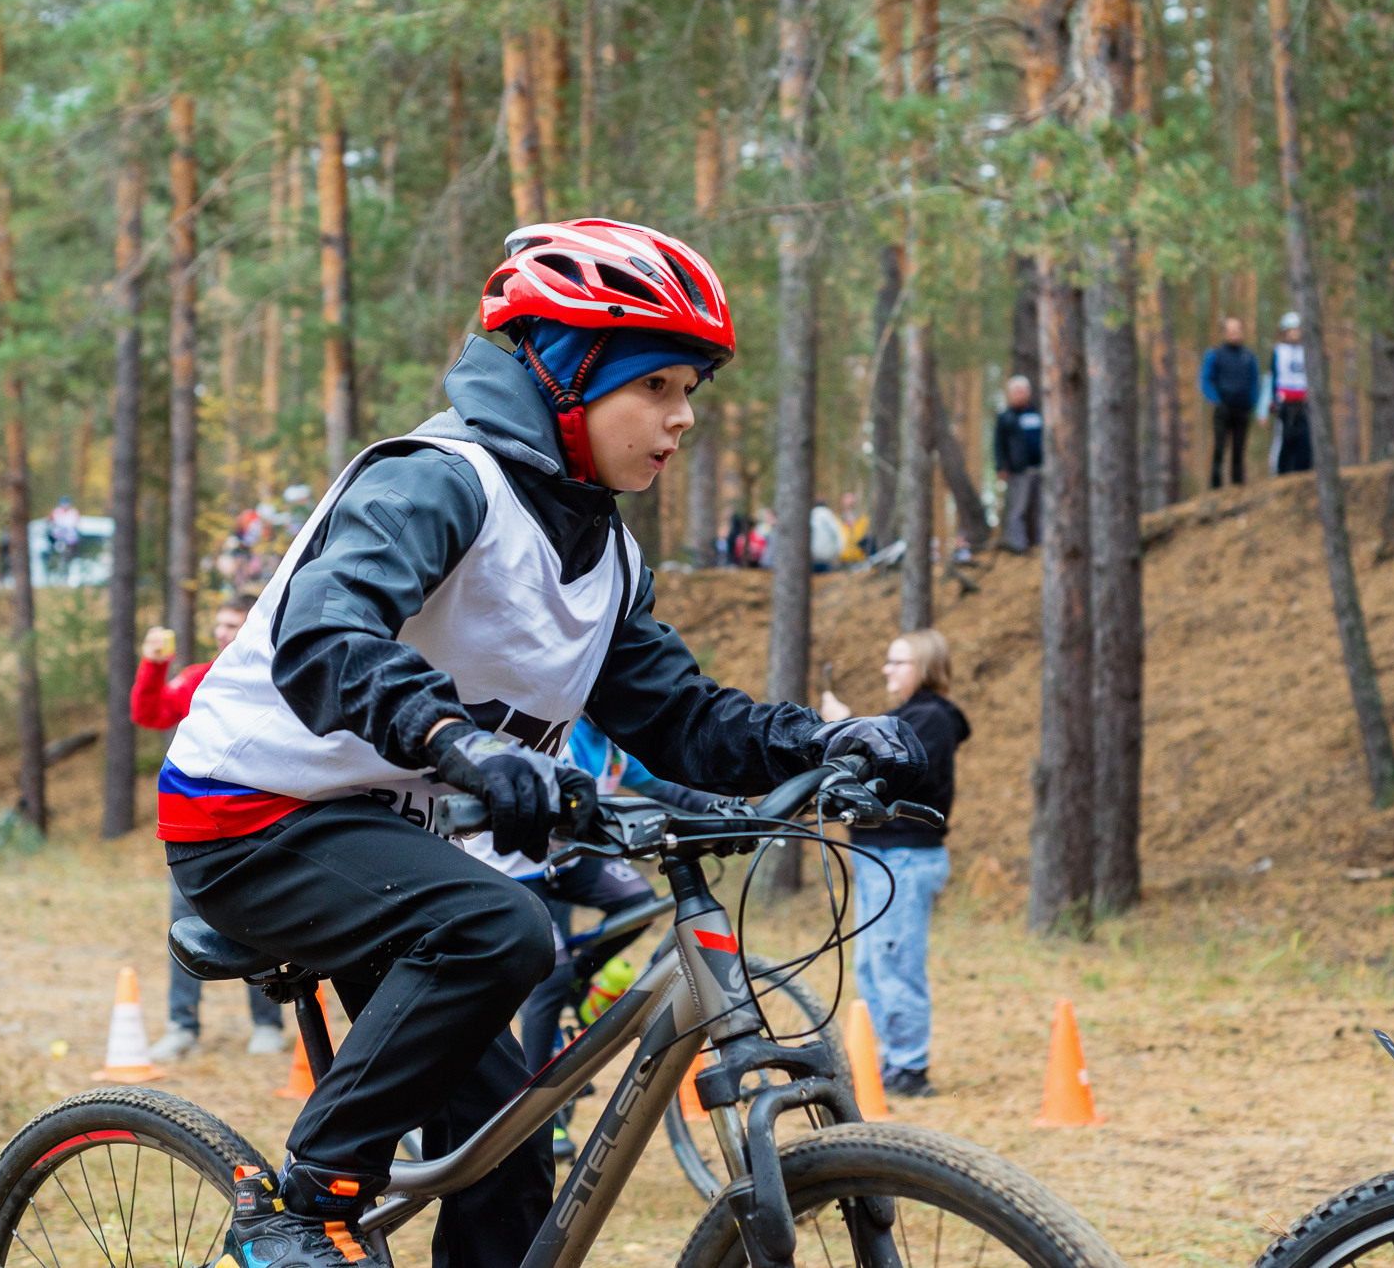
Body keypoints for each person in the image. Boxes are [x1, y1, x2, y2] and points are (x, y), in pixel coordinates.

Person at [158, 218, 926, 1268]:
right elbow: (326, 632)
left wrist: (827, 743)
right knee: (502, 928)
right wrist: (457, 743)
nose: (682, 418)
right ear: (567, 370)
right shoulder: (435, 479)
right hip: (255, 815)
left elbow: (679, 718)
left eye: (690, 392)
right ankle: (299, 1207)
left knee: (505, 1154)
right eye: (657, 386)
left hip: (406, 849)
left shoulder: (603, 552)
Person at [501, 718, 719, 1162]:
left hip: (570, 858)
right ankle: (534, 1117)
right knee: (550, 979)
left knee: (638, 902)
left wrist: (727, 808)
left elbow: (668, 789)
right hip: (516, 862)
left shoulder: (616, 747)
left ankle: (580, 979)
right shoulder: (567, 733)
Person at [130, 594, 286, 1060]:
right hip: (197, 833)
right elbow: (150, 712)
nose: (222, 633)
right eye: (219, 624)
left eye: (232, 624)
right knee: (182, 926)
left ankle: (267, 1023)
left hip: (258, 829)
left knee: (259, 926)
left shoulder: (275, 678)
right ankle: (182, 1027)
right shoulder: (201, 678)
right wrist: (153, 666)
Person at [819, 629, 967, 1098]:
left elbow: (889, 761)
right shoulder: (911, 717)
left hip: (905, 858)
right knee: (871, 965)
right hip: (880, 857)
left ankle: (909, 1066)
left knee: (895, 961)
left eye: (897, 661)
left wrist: (845, 723)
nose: (887, 669)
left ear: (924, 668)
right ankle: (893, 1060)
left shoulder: (931, 719)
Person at [1200, 317, 1260, 488]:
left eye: (1237, 330)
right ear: (1224, 333)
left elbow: (1255, 381)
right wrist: (1216, 400)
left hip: (1242, 408)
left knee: (1239, 449)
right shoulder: (1215, 354)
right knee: (1219, 447)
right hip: (1223, 408)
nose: (1234, 334)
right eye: (1231, 330)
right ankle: (1215, 486)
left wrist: (1252, 402)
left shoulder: (1249, 356)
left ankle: (1238, 486)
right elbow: (1205, 380)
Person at [992, 375, 1042, 553]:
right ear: (1010, 394)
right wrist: (1000, 467)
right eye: (1017, 391)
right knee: (1019, 509)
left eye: (1023, 390)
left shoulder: (1036, 413)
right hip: (1019, 470)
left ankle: (1039, 543)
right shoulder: (1006, 418)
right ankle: (1018, 545)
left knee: (1039, 508)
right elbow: (998, 444)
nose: (1020, 394)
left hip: (1040, 468)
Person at [1261, 311, 1312, 475]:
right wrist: (1270, 402)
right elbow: (1273, 378)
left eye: (1296, 329)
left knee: (1304, 439)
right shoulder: (1279, 351)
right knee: (1285, 439)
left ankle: (1303, 472)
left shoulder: (1308, 351)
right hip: (1285, 403)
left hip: (1303, 402)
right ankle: (1281, 472)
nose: (1293, 333)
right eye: (1290, 330)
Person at [809, 499, 845, 572]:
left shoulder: (811, 515)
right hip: (827, 556)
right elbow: (837, 532)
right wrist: (839, 549)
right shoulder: (830, 516)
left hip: (813, 555)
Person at [837, 490, 870, 565]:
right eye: (847, 501)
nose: (849, 503)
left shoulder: (863, 520)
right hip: (843, 560)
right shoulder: (838, 521)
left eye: (851, 501)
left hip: (860, 559)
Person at [46, 496, 82, 565]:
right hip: (58, 536)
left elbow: (77, 523)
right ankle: (51, 557)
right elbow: (49, 520)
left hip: (70, 537)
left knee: (71, 547)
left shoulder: (73, 512)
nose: (65, 507)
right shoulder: (56, 512)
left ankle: (71, 558)